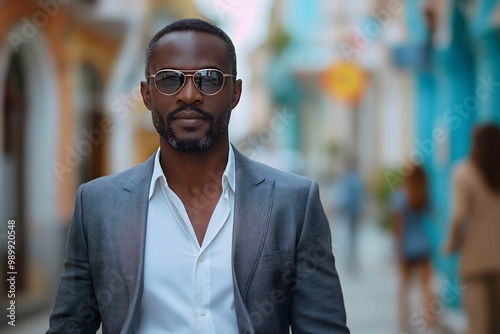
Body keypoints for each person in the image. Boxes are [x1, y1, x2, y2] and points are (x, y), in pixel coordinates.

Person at [47, 18, 349, 334]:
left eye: (208, 79)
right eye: (169, 79)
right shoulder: (98, 206)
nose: (189, 94)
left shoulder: (294, 203)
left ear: (235, 93)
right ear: (147, 95)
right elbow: (69, 326)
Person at [445, 124, 500, 334]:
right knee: (493, 326)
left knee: (478, 327)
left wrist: (451, 245)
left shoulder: (463, 172)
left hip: (475, 261)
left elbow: (459, 216)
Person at [390, 164, 436, 333]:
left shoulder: (401, 196)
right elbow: (432, 215)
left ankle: (404, 326)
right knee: (426, 287)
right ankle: (429, 325)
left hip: (407, 247)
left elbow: (398, 226)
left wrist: (398, 248)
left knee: (403, 288)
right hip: (423, 244)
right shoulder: (424, 195)